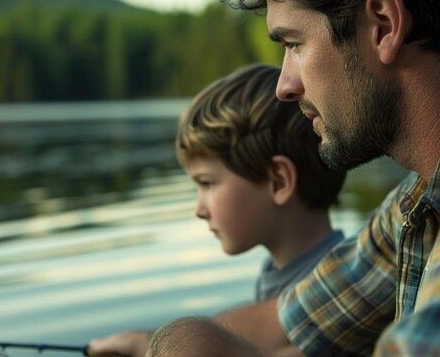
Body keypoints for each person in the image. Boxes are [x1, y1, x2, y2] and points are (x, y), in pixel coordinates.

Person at [90, 0, 440, 356]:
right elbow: (291, 328)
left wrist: (184, 344)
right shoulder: (423, 200)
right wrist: (160, 341)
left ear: (383, 25)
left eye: (294, 43)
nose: (284, 85)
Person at [88, 63, 347, 357]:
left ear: (278, 181)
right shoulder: (282, 271)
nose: (199, 209)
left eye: (208, 183)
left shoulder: (343, 293)